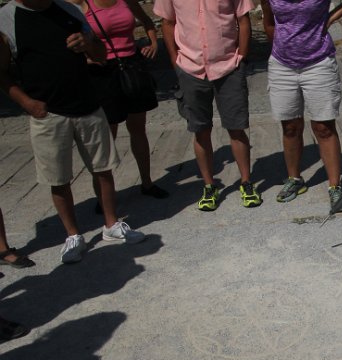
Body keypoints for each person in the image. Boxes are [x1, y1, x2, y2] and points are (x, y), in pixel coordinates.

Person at [0, 0, 146, 264]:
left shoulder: (69, 10)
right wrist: (26, 103)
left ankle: (111, 225)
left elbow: (101, 56)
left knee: (103, 169)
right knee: (58, 178)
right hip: (48, 113)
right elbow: (1, 73)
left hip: (88, 104)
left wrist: (88, 45)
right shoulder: (7, 19)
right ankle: (73, 235)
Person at [154, 0, 262, 211]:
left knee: (237, 128)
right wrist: (175, 59)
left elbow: (243, 18)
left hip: (228, 66)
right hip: (190, 67)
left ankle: (246, 182)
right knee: (200, 130)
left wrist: (242, 56)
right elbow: (167, 23)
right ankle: (209, 185)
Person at [260, 0, 342, 212]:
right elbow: (269, 21)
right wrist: (282, 45)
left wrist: (333, 15)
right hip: (282, 65)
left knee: (323, 127)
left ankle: (335, 185)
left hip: (318, 62)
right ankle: (294, 179)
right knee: (290, 127)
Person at [68, 0, 169, 205]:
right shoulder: (81, 4)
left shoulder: (126, 0)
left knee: (138, 129)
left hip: (131, 67)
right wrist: (85, 59)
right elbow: (69, 42)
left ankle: (147, 182)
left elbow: (148, 21)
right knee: (106, 136)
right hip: (102, 72)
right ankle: (103, 196)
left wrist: (153, 43)